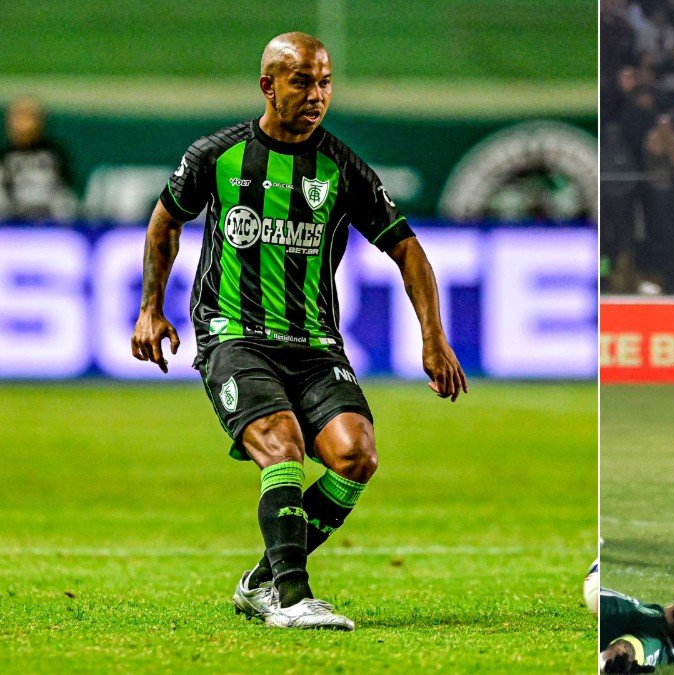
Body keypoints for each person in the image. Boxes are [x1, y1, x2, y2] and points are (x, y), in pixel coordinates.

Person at [129, 32, 467, 630]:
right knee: (281, 446)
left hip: (314, 344)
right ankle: (291, 597)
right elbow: (164, 225)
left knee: (355, 456)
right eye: (302, 81)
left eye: (325, 81)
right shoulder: (218, 155)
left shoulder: (341, 167)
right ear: (268, 85)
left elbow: (409, 250)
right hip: (234, 335)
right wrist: (151, 307)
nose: (317, 95)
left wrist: (433, 336)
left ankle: (261, 579)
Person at [0, 96, 76, 221]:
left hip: (50, 224)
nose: (24, 124)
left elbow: (66, 194)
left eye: (29, 116)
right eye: (19, 116)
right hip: (13, 226)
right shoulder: (4, 158)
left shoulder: (54, 155)